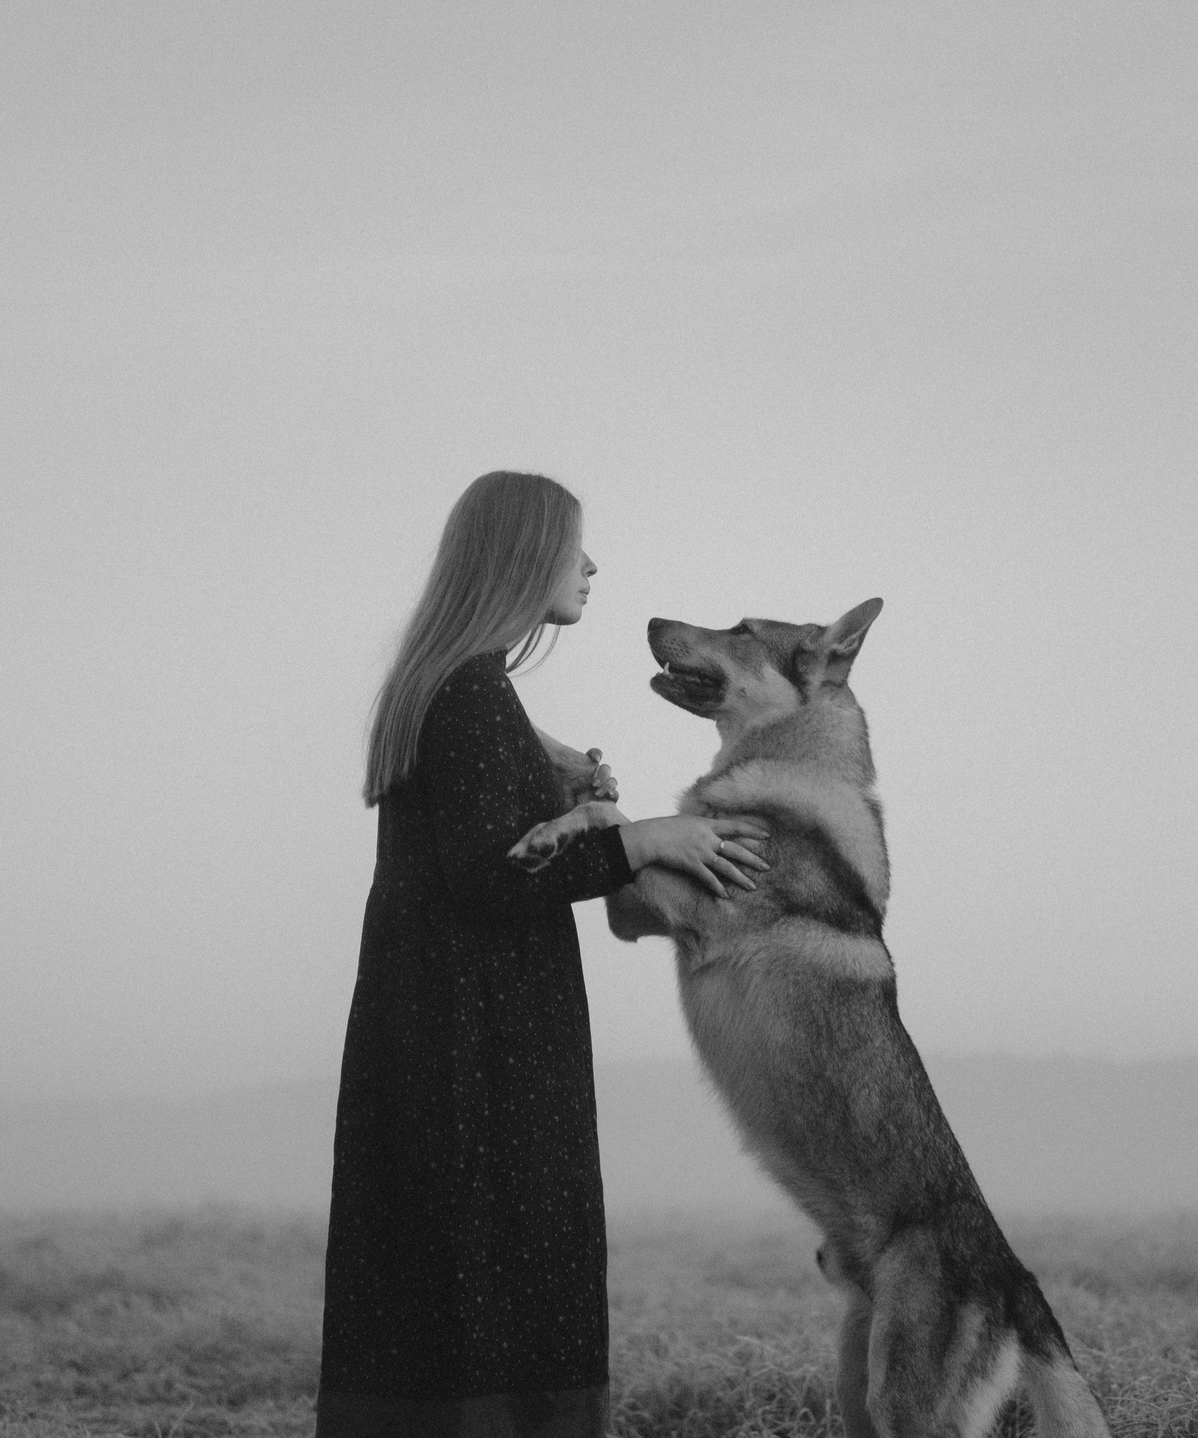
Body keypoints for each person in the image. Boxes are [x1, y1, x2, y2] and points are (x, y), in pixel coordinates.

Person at [316, 471, 770, 1438]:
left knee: (436, 1293)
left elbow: (485, 856)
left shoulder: (454, 685)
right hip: (482, 1051)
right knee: (497, 1285)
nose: (592, 566)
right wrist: (643, 840)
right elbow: (491, 881)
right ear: (522, 556)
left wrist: (563, 800)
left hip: (444, 1032)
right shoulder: (471, 692)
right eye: (574, 547)